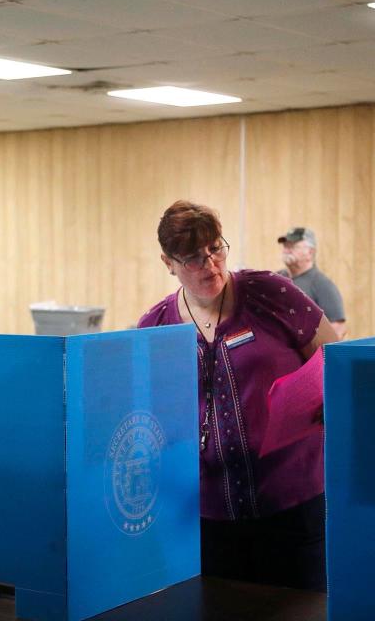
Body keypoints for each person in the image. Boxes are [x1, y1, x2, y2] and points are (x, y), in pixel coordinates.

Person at [138, 201, 338, 592]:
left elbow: (335, 358)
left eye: (216, 248)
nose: (211, 264)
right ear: (169, 263)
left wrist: (326, 404)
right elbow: (145, 411)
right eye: (194, 258)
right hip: (205, 519)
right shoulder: (154, 326)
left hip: (293, 508)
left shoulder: (271, 293)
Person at [277, 227, 347, 340]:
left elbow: (338, 329)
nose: (286, 250)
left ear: (310, 252)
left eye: (293, 246)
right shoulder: (275, 279)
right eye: (285, 245)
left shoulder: (323, 285)